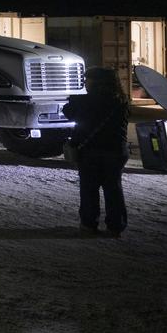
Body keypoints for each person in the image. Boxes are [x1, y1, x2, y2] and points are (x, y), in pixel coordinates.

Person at [63, 67, 131, 236]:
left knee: (88, 189)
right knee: (113, 188)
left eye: (87, 80)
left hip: (90, 150)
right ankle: (115, 226)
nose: (85, 83)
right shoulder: (121, 100)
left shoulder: (83, 101)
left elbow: (68, 112)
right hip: (116, 150)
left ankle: (88, 224)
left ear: (95, 82)